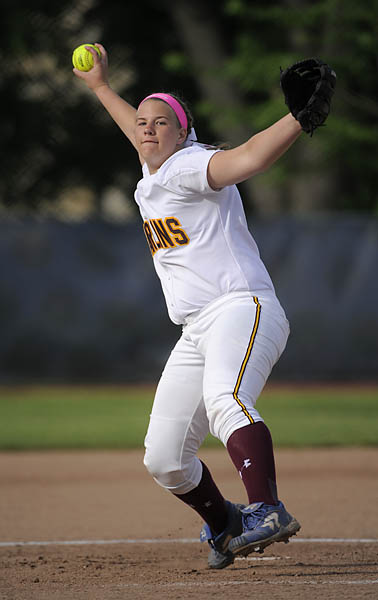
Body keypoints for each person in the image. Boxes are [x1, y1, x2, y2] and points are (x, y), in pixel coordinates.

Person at [74, 43, 302, 570]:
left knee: (226, 397)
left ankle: (267, 509)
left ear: (183, 134)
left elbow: (247, 158)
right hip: (197, 327)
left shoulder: (188, 166)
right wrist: (100, 87)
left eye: (160, 123)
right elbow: (135, 127)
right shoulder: (154, 175)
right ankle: (225, 525)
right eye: (143, 123)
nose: (147, 128)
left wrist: (296, 118)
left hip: (241, 308)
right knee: (165, 458)